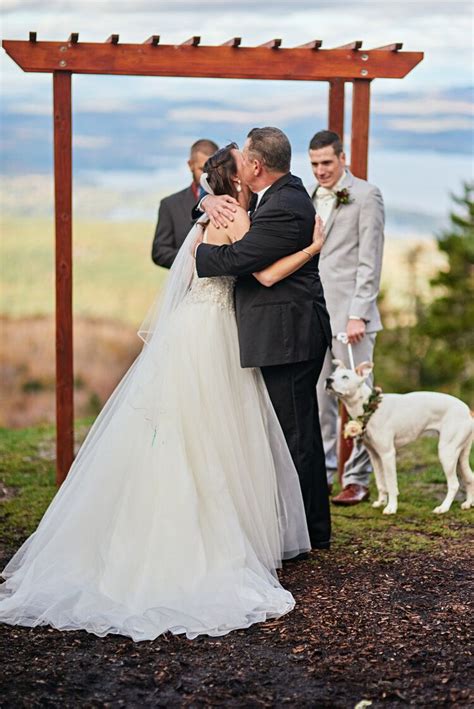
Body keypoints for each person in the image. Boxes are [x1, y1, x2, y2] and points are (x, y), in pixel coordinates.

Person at [0, 144, 326, 643]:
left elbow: (204, 253)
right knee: (215, 429)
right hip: (215, 334)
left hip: (187, 331)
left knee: (176, 426)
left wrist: (205, 205)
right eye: (243, 168)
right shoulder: (235, 214)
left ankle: (144, 532)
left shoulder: (202, 220)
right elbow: (261, 273)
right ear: (237, 180)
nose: (251, 171)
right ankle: (209, 537)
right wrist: (312, 248)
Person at [195, 127, 332, 550]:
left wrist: (197, 253)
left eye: (245, 157)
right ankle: (297, 525)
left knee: (295, 433)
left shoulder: (285, 206)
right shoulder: (270, 197)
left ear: (256, 165)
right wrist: (206, 199)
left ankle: (309, 530)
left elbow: (243, 259)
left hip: (289, 335)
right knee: (289, 430)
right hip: (280, 332)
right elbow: (214, 183)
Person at [308, 130, 385, 505]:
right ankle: (321, 475)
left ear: (342, 159)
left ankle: (357, 478)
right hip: (314, 315)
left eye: (326, 163)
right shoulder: (309, 197)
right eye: (315, 164)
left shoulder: (367, 195)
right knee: (320, 396)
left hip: (351, 319)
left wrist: (358, 315)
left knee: (359, 401)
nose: (320, 171)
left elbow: (370, 261)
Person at [151, 139, 218, 268]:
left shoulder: (231, 200)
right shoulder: (170, 205)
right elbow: (159, 252)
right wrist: (195, 261)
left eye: (212, 170)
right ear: (190, 165)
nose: (207, 176)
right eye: (202, 169)